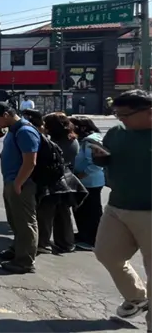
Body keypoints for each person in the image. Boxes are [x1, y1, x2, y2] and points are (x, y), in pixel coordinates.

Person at [92, 90, 152, 324]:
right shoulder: (117, 133)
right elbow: (107, 159)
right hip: (117, 206)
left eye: (125, 115)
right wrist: (100, 158)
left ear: (149, 112)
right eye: (117, 114)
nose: (120, 120)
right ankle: (136, 297)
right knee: (107, 254)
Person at [0, 102, 40, 274]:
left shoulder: (25, 131)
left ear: (6, 114)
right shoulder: (14, 130)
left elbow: (30, 161)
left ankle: (25, 261)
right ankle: (16, 250)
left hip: (21, 183)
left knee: (25, 223)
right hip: (12, 181)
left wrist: (18, 182)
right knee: (15, 220)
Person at [37, 113, 82, 255]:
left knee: (46, 212)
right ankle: (66, 243)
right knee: (63, 214)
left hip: (55, 180)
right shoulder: (71, 139)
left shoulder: (57, 142)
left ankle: (43, 243)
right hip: (66, 179)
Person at [69, 115, 104, 251]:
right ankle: (83, 235)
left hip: (91, 182)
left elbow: (97, 163)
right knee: (82, 210)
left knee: (92, 211)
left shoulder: (91, 140)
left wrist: (81, 174)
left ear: (82, 127)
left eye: (72, 126)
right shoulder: (84, 139)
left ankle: (93, 240)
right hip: (84, 181)